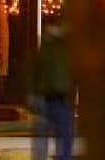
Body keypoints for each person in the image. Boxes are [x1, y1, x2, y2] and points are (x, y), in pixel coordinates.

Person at [31, 17, 74, 160]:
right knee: (62, 134)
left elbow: (37, 71)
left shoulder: (49, 45)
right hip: (53, 96)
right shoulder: (57, 46)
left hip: (49, 97)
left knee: (49, 135)